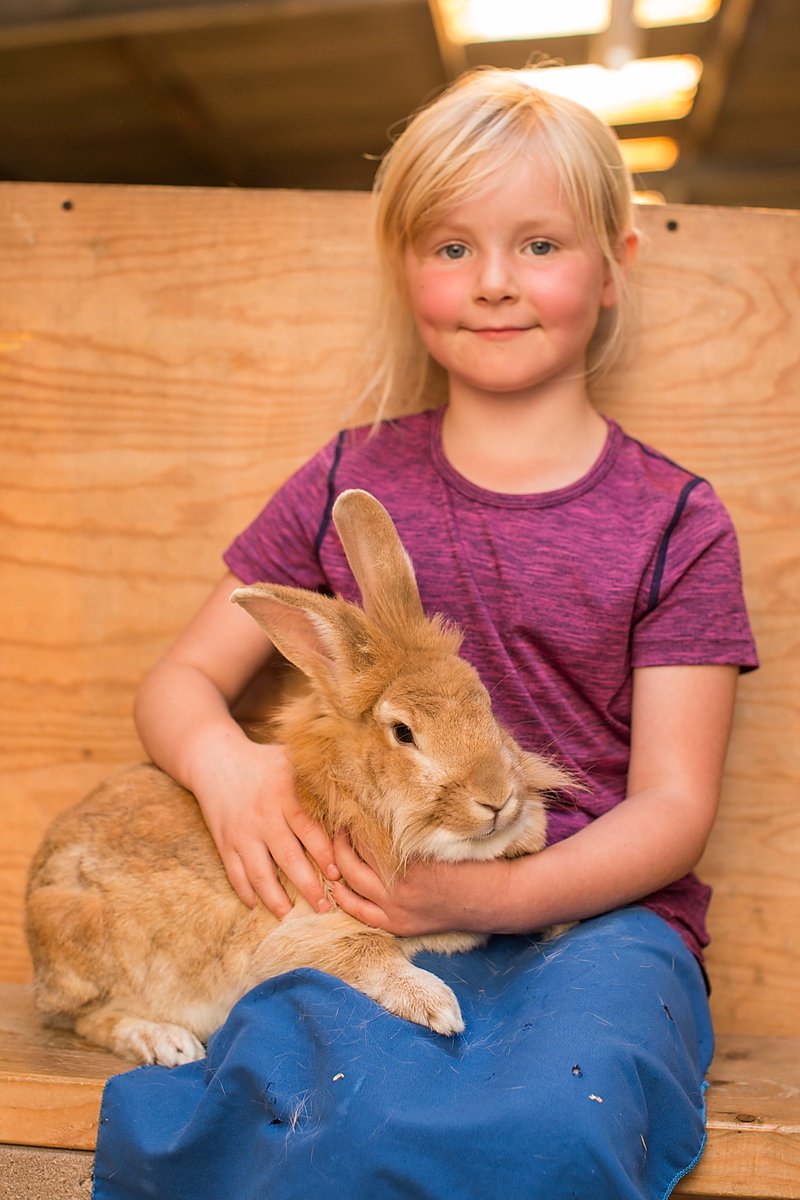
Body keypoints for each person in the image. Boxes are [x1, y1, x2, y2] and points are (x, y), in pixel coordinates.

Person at [97, 68, 758, 1200]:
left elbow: (672, 809)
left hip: (593, 924)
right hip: (360, 904)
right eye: (450, 249)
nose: (493, 283)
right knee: (293, 1085)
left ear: (614, 262)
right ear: (404, 267)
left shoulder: (675, 522)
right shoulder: (348, 478)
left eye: (538, 245)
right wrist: (227, 770)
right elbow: (181, 682)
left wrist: (478, 901)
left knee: (559, 1105)